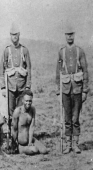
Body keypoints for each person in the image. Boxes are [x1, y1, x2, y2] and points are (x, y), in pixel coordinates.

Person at [56, 25, 89, 154]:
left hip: (77, 89)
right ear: (65, 36)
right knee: (67, 118)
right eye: (67, 34)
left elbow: (85, 71)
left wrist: (85, 90)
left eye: (71, 34)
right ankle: (68, 144)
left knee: (75, 118)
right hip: (65, 89)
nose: (69, 36)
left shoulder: (79, 51)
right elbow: (57, 73)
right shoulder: (61, 51)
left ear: (74, 35)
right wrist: (58, 92)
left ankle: (75, 144)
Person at [0, 23, 31, 132]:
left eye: (16, 34)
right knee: (10, 113)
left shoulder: (24, 50)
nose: (14, 37)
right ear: (10, 36)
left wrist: (28, 87)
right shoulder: (7, 50)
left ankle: (20, 136)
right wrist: (3, 87)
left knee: (21, 112)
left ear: (19, 35)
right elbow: (1, 70)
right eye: (12, 35)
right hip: (10, 88)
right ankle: (11, 136)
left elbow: (29, 69)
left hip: (22, 87)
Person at [12, 90, 48, 155]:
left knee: (44, 151)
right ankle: (21, 150)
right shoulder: (17, 111)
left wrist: (30, 142)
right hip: (21, 143)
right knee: (34, 150)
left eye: (30, 101)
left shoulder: (33, 109)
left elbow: (32, 127)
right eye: (26, 101)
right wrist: (15, 144)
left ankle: (29, 146)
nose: (28, 103)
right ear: (22, 101)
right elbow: (14, 129)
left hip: (30, 140)